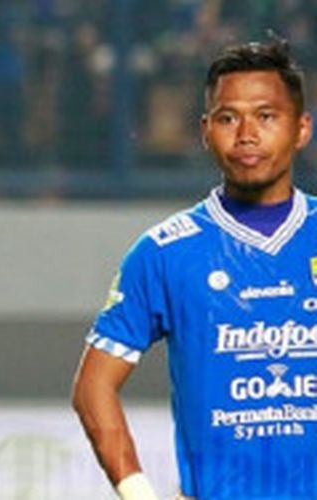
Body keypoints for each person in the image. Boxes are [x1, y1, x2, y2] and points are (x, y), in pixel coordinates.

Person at [72, 38, 317, 499]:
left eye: (266, 116)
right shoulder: (165, 252)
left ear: (301, 128)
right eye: (228, 118)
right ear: (206, 130)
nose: (246, 134)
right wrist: (139, 493)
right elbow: (93, 388)